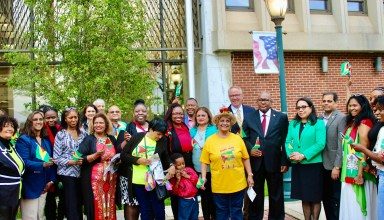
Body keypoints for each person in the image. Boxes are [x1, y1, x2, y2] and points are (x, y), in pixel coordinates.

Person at [200, 107, 254, 220]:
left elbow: (245, 157)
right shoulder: (210, 140)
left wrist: (249, 174)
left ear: (231, 124)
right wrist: (204, 177)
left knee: (236, 211)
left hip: (238, 183)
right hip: (219, 185)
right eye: (222, 121)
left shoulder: (238, 139)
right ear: (217, 123)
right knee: (221, 212)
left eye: (227, 121)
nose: (225, 123)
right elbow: (204, 161)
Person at [243, 91, 289, 220]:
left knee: (276, 194)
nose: (263, 102)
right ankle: (255, 217)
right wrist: (250, 149)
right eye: (260, 100)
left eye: (266, 100)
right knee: (255, 194)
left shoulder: (281, 117)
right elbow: (243, 137)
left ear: (271, 102)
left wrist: (285, 161)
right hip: (255, 162)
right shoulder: (249, 117)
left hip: (275, 162)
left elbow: (286, 139)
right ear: (257, 102)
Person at [120, 118, 176, 220]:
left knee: (159, 210)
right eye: (158, 134)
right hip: (138, 181)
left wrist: (172, 165)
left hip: (156, 181)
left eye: (162, 134)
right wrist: (138, 160)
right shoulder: (137, 137)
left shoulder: (162, 140)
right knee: (145, 210)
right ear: (150, 129)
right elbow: (123, 155)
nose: (160, 136)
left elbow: (166, 157)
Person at [285, 97, 326, 220]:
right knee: (304, 196)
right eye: (298, 107)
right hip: (298, 165)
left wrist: (303, 155)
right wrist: (291, 154)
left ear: (311, 108)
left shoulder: (318, 123)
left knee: (314, 197)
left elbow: (320, 144)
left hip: (313, 165)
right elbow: (288, 142)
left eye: (304, 107)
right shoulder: (293, 124)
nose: (300, 110)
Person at [339, 94, 377, 220]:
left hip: (358, 171)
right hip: (348, 169)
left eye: (355, 105)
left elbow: (364, 148)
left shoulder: (364, 122)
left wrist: (360, 173)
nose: (351, 108)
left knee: (356, 204)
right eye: (350, 106)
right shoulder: (353, 122)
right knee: (350, 203)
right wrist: (347, 88)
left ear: (363, 106)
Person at [78, 113, 120, 220]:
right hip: (93, 180)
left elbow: (118, 154)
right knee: (96, 206)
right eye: (95, 123)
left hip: (110, 180)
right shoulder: (89, 139)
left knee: (109, 204)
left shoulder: (111, 139)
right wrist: (95, 155)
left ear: (106, 124)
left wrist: (117, 161)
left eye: (101, 122)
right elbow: (77, 157)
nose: (98, 125)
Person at [16, 111, 56, 219]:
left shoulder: (46, 141)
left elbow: (51, 162)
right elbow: (24, 162)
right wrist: (42, 164)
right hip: (30, 186)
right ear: (30, 122)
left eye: (40, 119)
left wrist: (51, 181)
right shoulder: (24, 139)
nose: (38, 121)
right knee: (30, 217)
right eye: (35, 119)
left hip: (44, 186)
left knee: (40, 216)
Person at [352, 95, 384, 219]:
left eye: (381, 109)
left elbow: (382, 158)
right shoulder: (381, 127)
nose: (377, 112)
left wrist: (363, 149)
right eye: (376, 109)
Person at [116, 99, 148, 220]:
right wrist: (126, 141)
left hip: (148, 173)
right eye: (137, 111)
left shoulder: (153, 127)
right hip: (130, 173)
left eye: (143, 111)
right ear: (133, 113)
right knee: (131, 203)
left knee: (146, 204)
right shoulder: (127, 129)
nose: (140, 113)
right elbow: (118, 150)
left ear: (147, 112)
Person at [53, 107, 87, 220]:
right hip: (67, 174)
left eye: (75, 117)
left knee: (79, 204)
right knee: (71, 204)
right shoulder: (61, 135)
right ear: (65, 119)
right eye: (70, 117)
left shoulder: (83, 133)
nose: (73, 120)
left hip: (82, 173)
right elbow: (56, 158)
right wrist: (71, 162)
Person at [164, 103, 193, 219]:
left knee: (188, 192)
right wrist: (171, 165)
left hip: (188, 163)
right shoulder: (168, 128)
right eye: (175, 113)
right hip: (175, 165)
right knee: (177, 194)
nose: (178, 116)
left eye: (181, 113)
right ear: (171, 114)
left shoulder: (185, 126)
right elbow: (165, 150)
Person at [319, 92, 345, 220]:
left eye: (329, 101)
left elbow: (342, 144)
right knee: (325, 196)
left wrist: (337, 166)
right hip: (320, 164)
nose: (326, 103)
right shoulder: (318, 118)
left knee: (336, 197)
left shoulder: (341, 118)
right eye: (324, 101)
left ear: (336, 103)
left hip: (333, 165)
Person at [189, 107, 217, 220]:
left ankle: (215, 217)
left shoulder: (214, 129)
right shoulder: (192, 130)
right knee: (204, 196)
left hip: (212, 168)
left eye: (203, 115)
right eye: (198, 115)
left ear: (208, 116)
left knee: (213, 195)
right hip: (198, 169)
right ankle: (206, 217)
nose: (200, 117)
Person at [40, 105, 65, 220]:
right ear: (44, 118)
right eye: (48, 118)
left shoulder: (61, 129)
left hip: (62, 167)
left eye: (53, 117)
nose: (51, 120)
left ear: (57, 117)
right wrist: (48, 160)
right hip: (48, 167)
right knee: (50, 198)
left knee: (63, 196)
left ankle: (60, 216)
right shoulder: (41, 131)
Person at [0, 115, 24, 220]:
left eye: (12, 126)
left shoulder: (11, 145)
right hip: (2, 195)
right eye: (6, 126)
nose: (10, 129)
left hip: (15, 193)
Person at [169, 153, 199, 220]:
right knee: (184, 217)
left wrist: (187, 176)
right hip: (183, 201)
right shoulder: (174, 176)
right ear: (174, 165)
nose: (182, 166)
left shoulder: (189, 170)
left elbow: (197, 182)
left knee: (194, 217)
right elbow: (174, 191)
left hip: (194, 199)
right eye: (179, 165)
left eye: (183, 163)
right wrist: (178, 180)